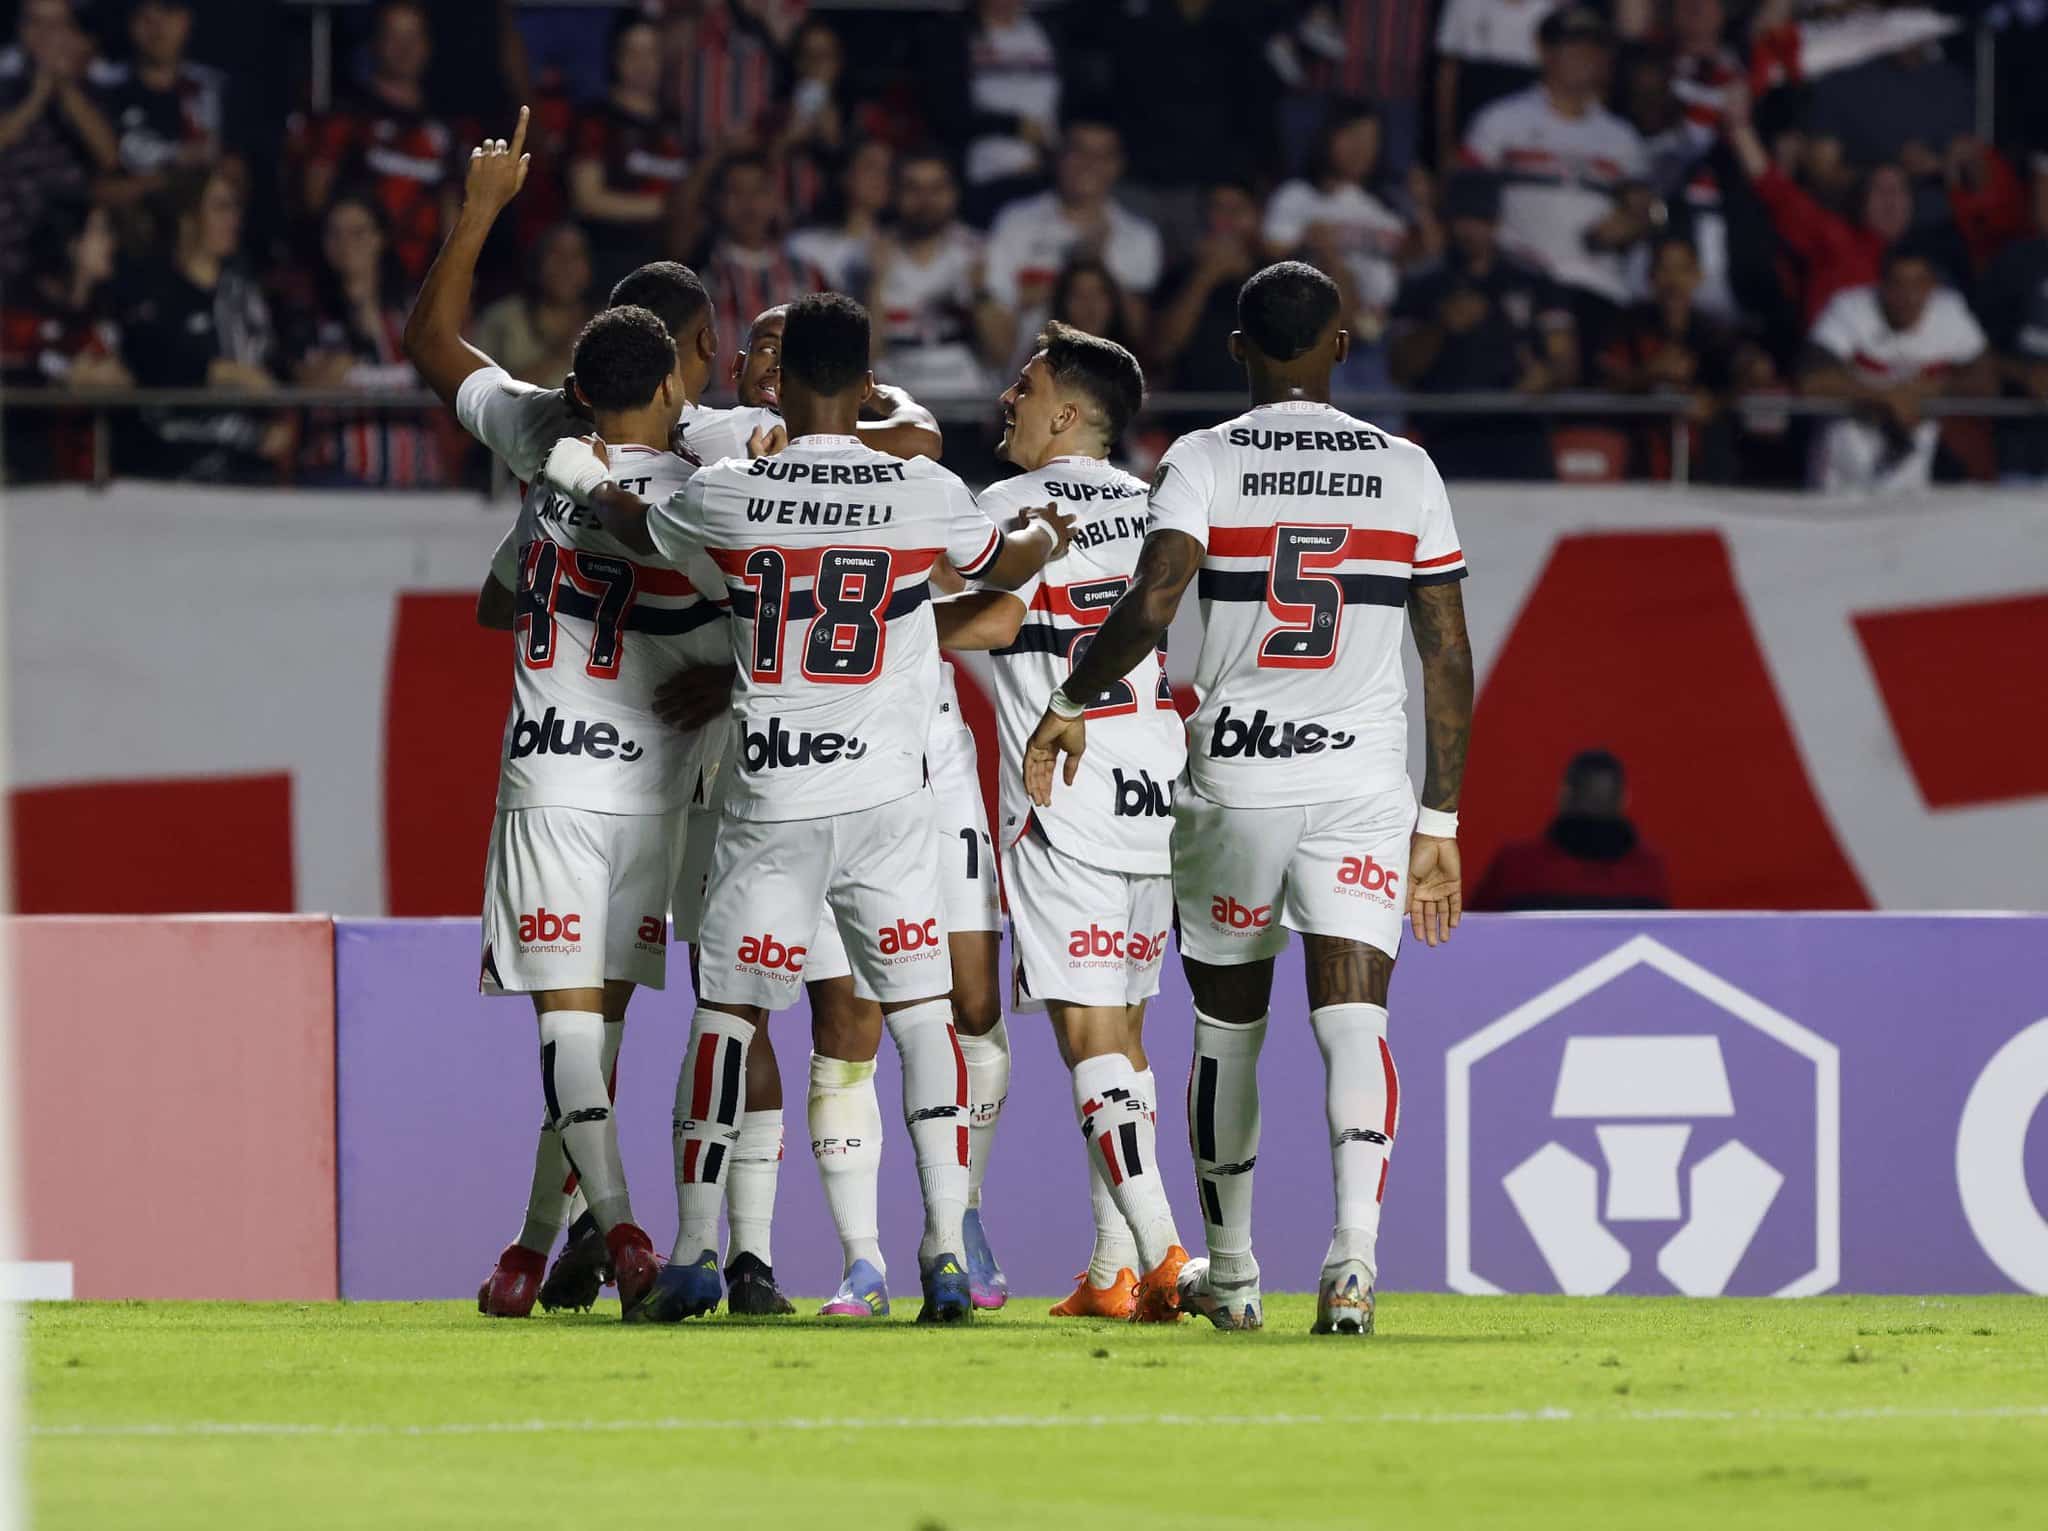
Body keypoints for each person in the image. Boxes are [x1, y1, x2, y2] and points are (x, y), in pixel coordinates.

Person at [541, 292, 1072, 1324]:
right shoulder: (920, 489)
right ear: (870, 383)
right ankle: (943, 1257)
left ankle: (698, 1249)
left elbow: (633, 525)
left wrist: (575, 469)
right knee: (921, 1020)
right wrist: (1045, 530)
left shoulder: (731, 488)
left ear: (778, 385)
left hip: (773, 794)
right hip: (886, 801)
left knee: (727, 1016)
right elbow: (1003, 562)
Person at [1022, 261, 1473, 1336]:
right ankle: (1353, 1261)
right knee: (1353, 1014)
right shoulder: (1405, 468)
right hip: (1360, 781)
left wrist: (1072, 696)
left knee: (1226, 1032)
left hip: (1233, 779)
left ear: (1236, 352)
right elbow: (1444, 649)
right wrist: (1440, 818)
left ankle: (1230, 1273)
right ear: (1339, 347)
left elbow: (1157, 595)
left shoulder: (1201, 459)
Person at [402, 112, 725, 1322]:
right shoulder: (716, 485)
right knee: (594, 1032)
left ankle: (626, 1237)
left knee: (570, 1031)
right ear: (686, 368)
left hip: (552, 775)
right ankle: (537, 1246)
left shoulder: (543, 437)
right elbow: (786, 623)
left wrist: (482, 208)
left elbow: (428, 342)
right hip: (656, 794)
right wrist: (737, 676)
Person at [933, 323, 1190, 1321]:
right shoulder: (1162, 506)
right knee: (1122, 1025)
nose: (1007, 398)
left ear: (1067, 415)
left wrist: (883, 633)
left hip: (1061, 785)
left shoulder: (1005, 504)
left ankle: (1168, 1253)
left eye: (1025, 386)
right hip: (1153, 782)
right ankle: (1113, 1265)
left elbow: (996, 619)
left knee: (1086, 1030)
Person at [1461, 6, 1653, 323]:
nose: (1584, 56)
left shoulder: (1622, 137)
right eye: (1572, 46)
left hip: (1598, 289)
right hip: (1519, 287)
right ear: (1544, 51)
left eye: (1593, 47)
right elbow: (1466, 206)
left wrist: (1631, 223)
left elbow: (1644, 212)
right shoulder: (1500, 121)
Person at [1389, 172, 1576, 481]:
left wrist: (1546, 376)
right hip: (1447, 435)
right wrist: (1440, 327)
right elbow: (1399, 369)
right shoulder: (1422, 284)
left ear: (1496, 221)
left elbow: (1565, 362)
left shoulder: (1533, 279)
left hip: (1521, 433)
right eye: (1461, 218)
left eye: (1480, 218)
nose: (1469, 230)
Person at [119, 164, 290, 481]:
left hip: (249, 467)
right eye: (221, 207)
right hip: (173, 470)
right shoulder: (152, 291)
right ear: (187, 217)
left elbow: (272, 366)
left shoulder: (244, 294)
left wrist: (279, 423)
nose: (234, 219)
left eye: (236, 207)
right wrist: (221, 373)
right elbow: (149, 364)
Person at [1800, 237, 1995, 494]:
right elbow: (1811, 380)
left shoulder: (1950, 312)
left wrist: (1929, 389)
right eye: (1897, 284)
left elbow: (1987, 381)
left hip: (1911, 472)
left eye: (1918, 284)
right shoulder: (1849, 308)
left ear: (1932, 286)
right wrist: (1886, 397)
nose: (1908, 296)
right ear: (1881, 285)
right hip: (1842, 466)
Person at [287, 192, 444, 487]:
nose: (346, 244)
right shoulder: (310, 317)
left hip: (415, 478)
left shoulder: (414, 313)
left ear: (380, 238)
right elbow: (305, 388)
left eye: (358, 232)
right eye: (335, 234)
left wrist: (345, 375)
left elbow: (447, 381)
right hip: (338, 477)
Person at [300, 0, 461, 283]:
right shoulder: (346, 118)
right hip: (353, 283)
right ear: (375, 43)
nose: (404, 48)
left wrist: (454, 280)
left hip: (420, 290)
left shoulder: (444, 128)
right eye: (394, 36)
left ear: (427, 46)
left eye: (413, 36)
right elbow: (315, 199)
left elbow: (451, 212)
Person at [1263, 100, 1411, 386]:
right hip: (1318, 340)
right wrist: (1312, 244)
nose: (1361, 148)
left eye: (1371, 139)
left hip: (1379, 339)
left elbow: (1412, 264)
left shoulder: (1386, 206)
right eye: (1352, 136)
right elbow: (1271, 253)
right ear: (1328, 137)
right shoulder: (1297, 196)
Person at [985, 117, 1162, 352]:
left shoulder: (1140, 236)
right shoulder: (1015, 221)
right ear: (1059, 157)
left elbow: (1139, 332)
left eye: (1102, 155)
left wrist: (1100, 267)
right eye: (1079, 151)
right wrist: (1072, 270)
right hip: (1026, 373)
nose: (1089, 164)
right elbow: (997, 310)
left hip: (1104, 376)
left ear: (1118, 165)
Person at [1, 196, 129, 481]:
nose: (111, 242)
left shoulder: (108, 310)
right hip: (32, 477)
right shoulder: (19, 309)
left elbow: (128, 376)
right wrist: (65, 377)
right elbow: (16, 376)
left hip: (102, 476)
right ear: (72, 243)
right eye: (101, 232)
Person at [871, 148, 1011, 401]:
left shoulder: (982, 252)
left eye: (937, 188)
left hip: (968, 404)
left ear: (954, 193)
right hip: (893, 408)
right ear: (894, 194)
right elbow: (865, 358)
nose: (926, 200)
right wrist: (873, 284)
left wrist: (978, 294)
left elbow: (1002, 355)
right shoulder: (871, 255)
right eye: (913, 188)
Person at [567, 16, 692, 298]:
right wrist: (667, 208)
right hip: (608, 264)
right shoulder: (596, 120)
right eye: (632, 52)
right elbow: (587, 198)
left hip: (671, 265)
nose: (643, 63)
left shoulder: (675, 123)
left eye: (651, 52)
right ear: (615, 58)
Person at [0, 0, 118, 280]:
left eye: (55, 24)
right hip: (9, 248)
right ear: (20, 29)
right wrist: (37, 96)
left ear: (71, 30)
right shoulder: (5, 87)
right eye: (34, 22)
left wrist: (63, 87)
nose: (44, 33)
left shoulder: (97, 90)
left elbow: (109, 156)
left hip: (71, 252)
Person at [921, 0, 1064, 225]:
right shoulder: (953, 35)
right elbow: (948, 116)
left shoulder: (1045, 30)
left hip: (1044, 177)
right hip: (985, 183)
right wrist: (1015, 126)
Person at [1470, 751, 1669, 911]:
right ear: (1624, 799)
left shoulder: (1515, 866)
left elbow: (1470, 934)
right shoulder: (1648, 872)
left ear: (1564, 794)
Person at [697, 153, 825, 389]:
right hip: (719, 411)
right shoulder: (700, 275)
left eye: (759, 191)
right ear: (717, 201)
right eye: (736, 191)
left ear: (775, 200)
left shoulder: (807, 276)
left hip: (791, 416)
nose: (749, 202)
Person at [89, 0, 224, 199]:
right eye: (144, 16)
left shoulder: (212, 88)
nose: (156, 27)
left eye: (168, 11)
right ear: (129, 23)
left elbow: (232, 168)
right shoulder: (103, 91)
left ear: (187, 19)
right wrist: (170, 174)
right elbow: (99, 186)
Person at [1151, 180, 1264, 394]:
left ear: (1257, 217)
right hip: (1191, 415)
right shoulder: (1179, 275)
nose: (1226, 220)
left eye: (1237, 210)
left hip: (1258, 416)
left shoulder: (1278, 275)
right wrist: (1205, 278)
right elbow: (1163, 348)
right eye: (1218, 209)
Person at [1979, 153, 2048, 481]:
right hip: (2023, 453)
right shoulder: (2014, 263)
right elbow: (1972, 352)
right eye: (2040, 188)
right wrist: (2025, 374)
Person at [470, 222, 595, 388]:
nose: (566, 266)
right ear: (537, 261)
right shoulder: (502, 320)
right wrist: (559, 355)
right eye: (555, 254)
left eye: (576, 255)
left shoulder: (608, 322)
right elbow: (481, 396)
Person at [785, 138, 892, 295]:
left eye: (887, 170)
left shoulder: (897, 247)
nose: (881, 177)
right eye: (870, 167)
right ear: (846, 175)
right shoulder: (805, 246)